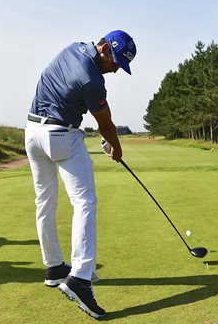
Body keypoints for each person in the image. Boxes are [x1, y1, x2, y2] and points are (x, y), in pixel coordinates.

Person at [25, 30, 136, 319]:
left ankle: (55, 268)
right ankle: (81, 278)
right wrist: (116, 146)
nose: (115, 70)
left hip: (32, 132)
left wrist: (106, 137)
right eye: (115, 63)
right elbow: (105, 121)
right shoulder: (92, 78)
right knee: (85, 202)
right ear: (103, 48)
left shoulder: (72, 48)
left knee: (45, 202)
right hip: (60, 134)